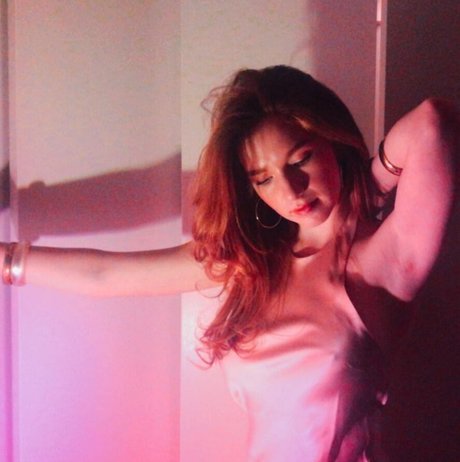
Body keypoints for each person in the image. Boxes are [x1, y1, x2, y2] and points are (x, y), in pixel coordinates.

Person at [1, 65, 457, 461]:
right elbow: (106, 275)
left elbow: (433, 122)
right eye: (264, 178)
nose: (291, 191)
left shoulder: (380, 260)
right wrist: (8, 261)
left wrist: (368, 182)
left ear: (332, 142)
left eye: (301, 159)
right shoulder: (252, 262)